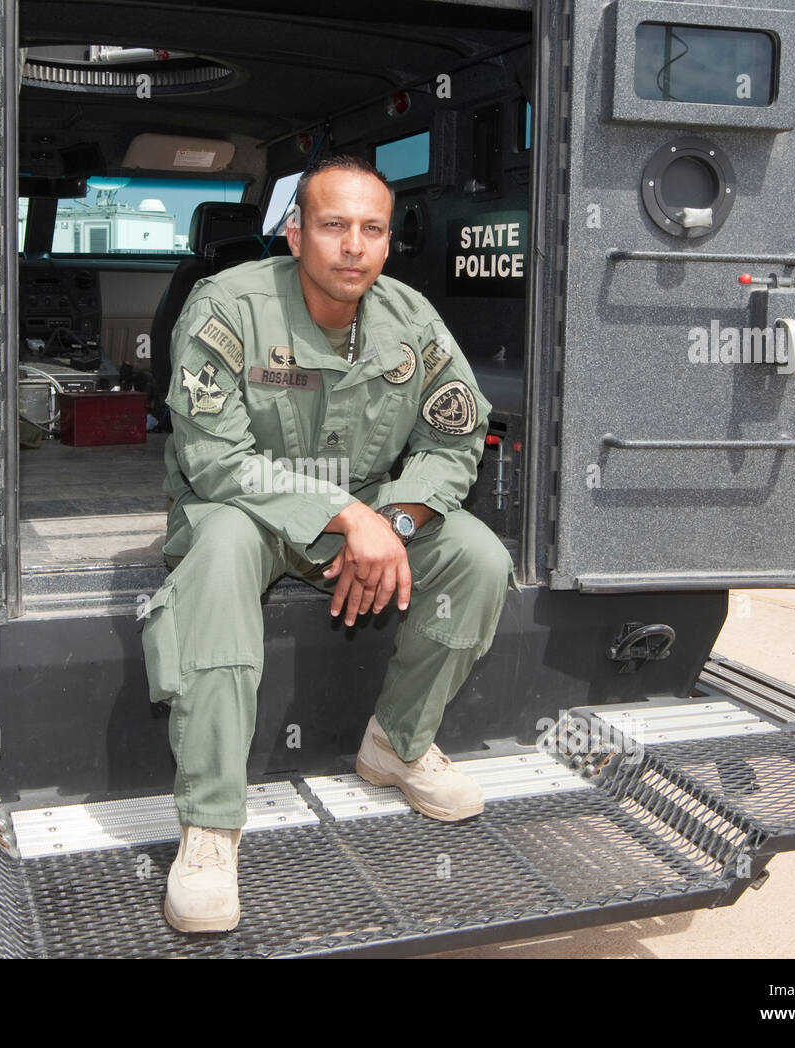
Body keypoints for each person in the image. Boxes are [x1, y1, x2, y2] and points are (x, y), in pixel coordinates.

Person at [140, 154, 516, 933]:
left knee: (479, 555)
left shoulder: (409, 318)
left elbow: (455, 440)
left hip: (369, 518)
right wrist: (349, 516)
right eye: (334, 225)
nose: (353, 246)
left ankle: (398, 746)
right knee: (217, 559)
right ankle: (210, 827)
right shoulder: (228, 307)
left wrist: (395, 525)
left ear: (387, 243)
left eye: (372, 229)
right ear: (295, 233)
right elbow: (214, 459)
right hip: (241, 510)